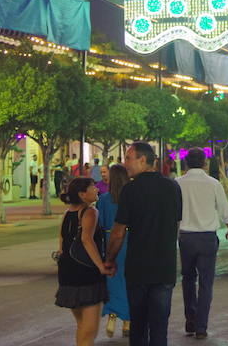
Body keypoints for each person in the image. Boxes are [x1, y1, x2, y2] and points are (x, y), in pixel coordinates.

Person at [105, 142, 182, 346]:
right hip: (164, 268)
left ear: (142, 160)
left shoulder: (130, 190)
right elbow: (176, 223)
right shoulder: (173, 187)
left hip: (138, 268)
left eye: (128, 159)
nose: (125, 163)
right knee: (159, 328)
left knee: (138, 327)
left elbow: (118, 232)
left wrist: (110, 259)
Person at [176, 148, 228, 340]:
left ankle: (190, 316)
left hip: (186, 237)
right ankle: (201, 326)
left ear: (186, 163)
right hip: (207, 238)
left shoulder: (178, 183)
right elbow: (225, 211)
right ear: (204, 163)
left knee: (187, 278)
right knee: (206, 282)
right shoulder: (213, 183)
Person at [54, 177, 111, 346]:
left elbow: (62, 242)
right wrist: (101, 266)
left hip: (67, 273)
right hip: (86, 274)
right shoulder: (90, 212)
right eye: (93, 188)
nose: (97, 190)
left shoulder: (67, 214)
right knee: (90, 329)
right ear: (82, 194)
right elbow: (87, 240)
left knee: (82, 326)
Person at [97, 164, 130, 339]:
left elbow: (100, 224)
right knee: (128, 280)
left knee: (112, 280)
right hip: (129, 241)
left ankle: (112, 316)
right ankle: (127, 321)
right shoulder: (133, 198)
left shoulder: (103, 199)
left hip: (111, 243)